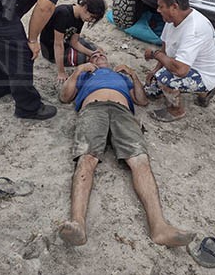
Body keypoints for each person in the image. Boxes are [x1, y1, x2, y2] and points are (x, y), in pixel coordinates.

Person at [57, 53, 196, 248]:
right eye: (94, 56)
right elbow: (64, 97)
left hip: (122, 111)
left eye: (101, 54)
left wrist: (132, 75)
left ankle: (160, 227)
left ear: (108, 60)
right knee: (87, 158)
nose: (98, 57)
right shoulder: (85, 74)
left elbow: (142, 101)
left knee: (140, 160)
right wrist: (78, 71)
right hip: (93, 109)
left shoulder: (121, 76)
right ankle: (78, 223)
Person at [143, 0, 215, 122]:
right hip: (185, 64)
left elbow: (180, 70)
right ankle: (203, 92)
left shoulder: (194, 29)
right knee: (151, 90)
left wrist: (156, 55)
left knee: (165, 78)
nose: (158, 10)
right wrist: (155, 70)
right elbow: (165, 49)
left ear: (174, 7)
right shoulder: (172, 19)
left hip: (203, 73)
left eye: (161, 6)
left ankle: (177, 110)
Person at [41, 0, 107, 83]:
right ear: (85, 7)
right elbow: (58, 44)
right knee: (81, 58)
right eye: (91, 17)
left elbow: (74, 42)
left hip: (66, 41)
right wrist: (61, 72)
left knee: (95, 49)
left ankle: (93, 57)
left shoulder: (81, 17)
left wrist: (92, 53)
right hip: (51, 49)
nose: (90, 20)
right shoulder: (63, 14)